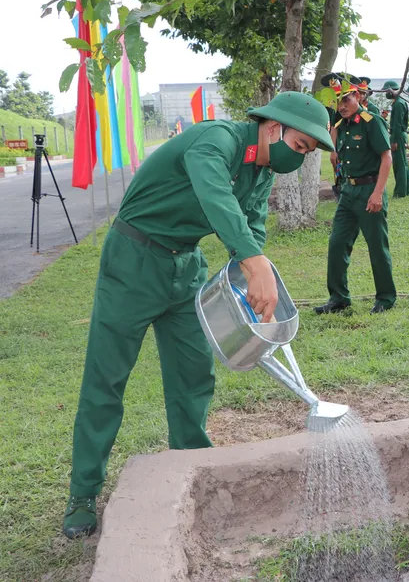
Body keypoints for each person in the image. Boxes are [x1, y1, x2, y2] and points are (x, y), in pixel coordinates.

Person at [62, 91, 332, 539]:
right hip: (133, 259)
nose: (299, 159)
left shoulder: (260, 170)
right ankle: (83, 491)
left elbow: (253, 221)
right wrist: (253, 260)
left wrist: (249, 284)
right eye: (300, 146)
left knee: (193, 374)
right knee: (106, 379)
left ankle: (191, 462)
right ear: (272, 128)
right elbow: (216, 198)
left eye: (306, 153)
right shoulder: (215, 140)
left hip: (185, 267)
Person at [315, 80, 396, 315]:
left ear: (359, 97)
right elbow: (336, 153)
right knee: (337, 244)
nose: (342, 105)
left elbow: (386, 157)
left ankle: (386, 298)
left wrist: (378, 193)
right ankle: (339, 298)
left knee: (377, 247)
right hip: (348, 193)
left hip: (369, 190)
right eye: (338, 101)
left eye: (347, 99)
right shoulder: (342, 125)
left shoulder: (371, 122)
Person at [383, 80, 409, 198]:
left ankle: (400, 192)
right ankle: (406, 189)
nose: (386, 93)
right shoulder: (400, 102)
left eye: (387, 91)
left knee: (399, 165)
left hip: (398, 136)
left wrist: (394, 140)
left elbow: (397, 124)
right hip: (400, 135)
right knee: (403, 164)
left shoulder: (398, 104)